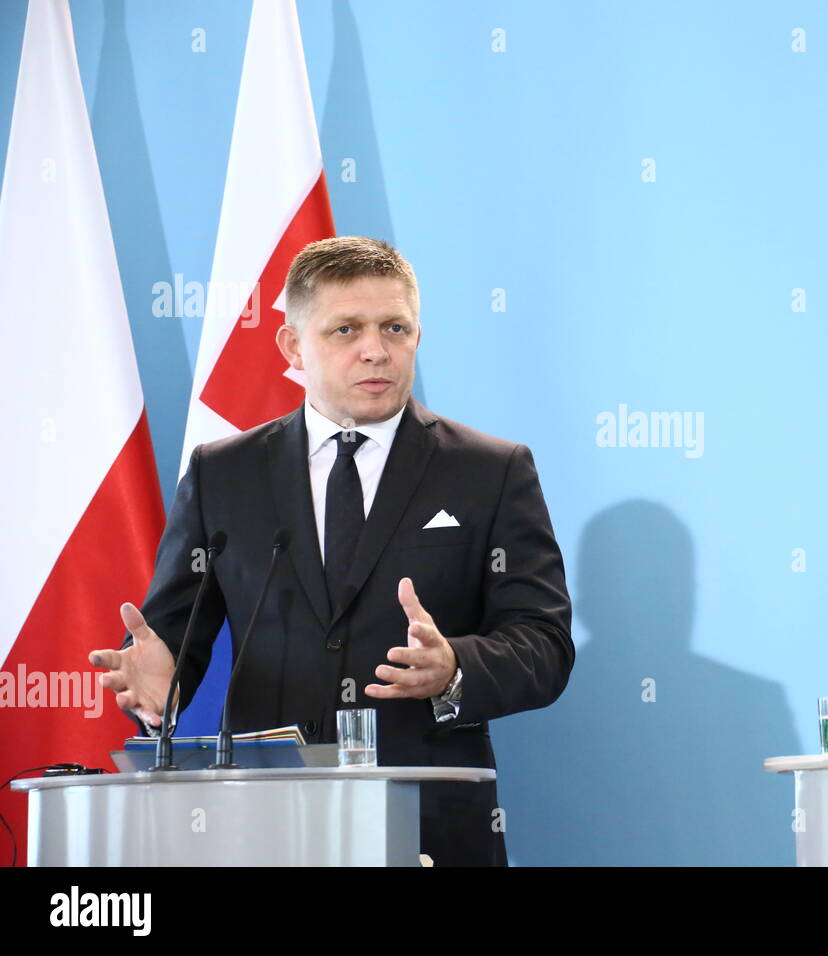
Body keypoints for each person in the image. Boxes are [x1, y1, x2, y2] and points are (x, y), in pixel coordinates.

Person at [89, 236, 573, 866]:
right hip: (263, 825)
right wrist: (161, 683)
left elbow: (544, 643)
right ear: (293, 347)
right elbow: (174, 636)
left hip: (430, 822)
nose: (376, 350)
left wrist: (454, 667)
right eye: (345, 329)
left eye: (393, 327)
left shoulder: (490, 471)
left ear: (417, 335)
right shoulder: (223, 474)